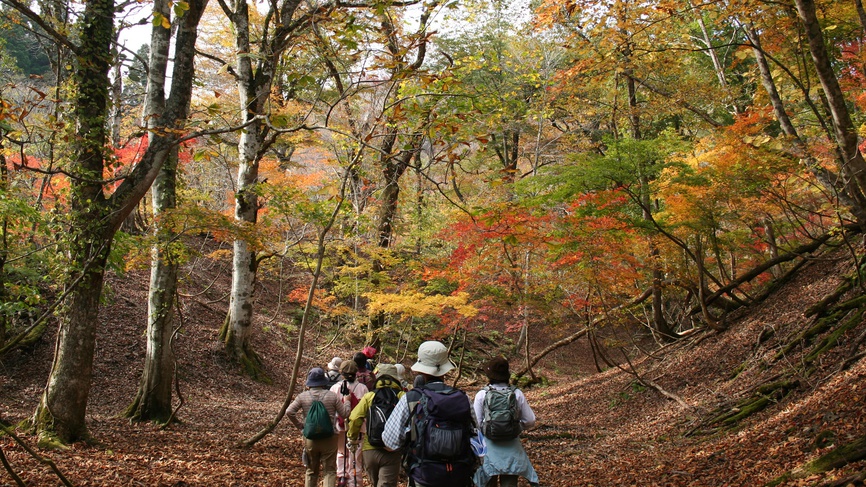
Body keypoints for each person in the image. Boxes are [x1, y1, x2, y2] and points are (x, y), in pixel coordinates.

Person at [382, 341, 477, 487]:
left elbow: (390, 439)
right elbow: (477, 437)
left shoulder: (412, 398)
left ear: (421, 370)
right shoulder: (463, 398)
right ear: (445, 369)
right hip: (459, 475)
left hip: (424, 475)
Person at [472, 357, 539, 487]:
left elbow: (476, 423)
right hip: (511, 446)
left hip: (488, 448)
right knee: (509, 481)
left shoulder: (482, 395)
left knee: (488, 480)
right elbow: (530, 420)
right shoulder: (517, 393)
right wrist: (516, 426)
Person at [287, 367, 352, 487]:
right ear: (323, 380)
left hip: (310, 438)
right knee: (329, 471)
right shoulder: (332, 396)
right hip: (330, 437)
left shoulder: (303, 396)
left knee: (311, 471)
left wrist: (301, 426)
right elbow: (345, 414)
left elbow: (289, 412)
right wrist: (347, 400)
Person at [346, 364, 405, 487]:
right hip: (393, 450)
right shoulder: (402, 397)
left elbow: (355, 417)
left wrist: (352, 438)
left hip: (370, 448)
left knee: (375, 483)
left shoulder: (370, 396)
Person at [330, 360, 369, 487]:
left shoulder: (335, 388)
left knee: (341, 453)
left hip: (339, 426)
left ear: (342, 372)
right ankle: (355, 482)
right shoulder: (363, 388)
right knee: (356, 456)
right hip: (358, 427)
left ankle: (341, 477)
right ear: (355, 372)